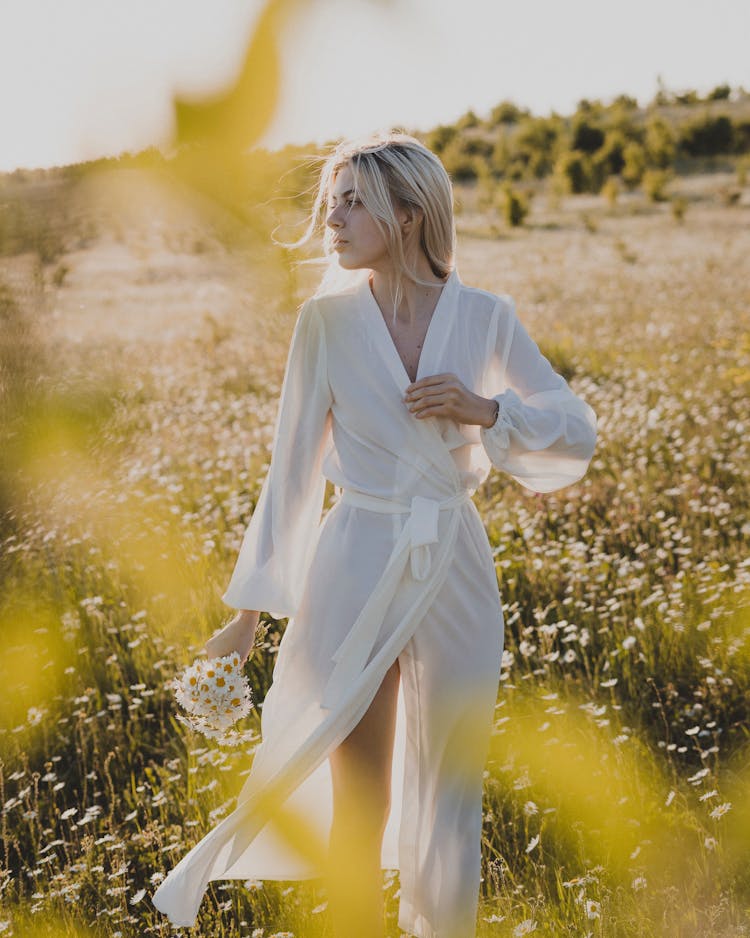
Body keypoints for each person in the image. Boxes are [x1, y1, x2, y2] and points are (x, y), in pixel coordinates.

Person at [151, 131, 597, 938]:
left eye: (355, 200)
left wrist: (487, 409)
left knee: (450, 791)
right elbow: (289, 474)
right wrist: (249, 615)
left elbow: (575, 429)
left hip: (452, 561)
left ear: (411, 212)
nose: (335, 216)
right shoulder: (325, 323)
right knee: (360, 798)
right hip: (354, 558)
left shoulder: (487, 317)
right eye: (334, 200)